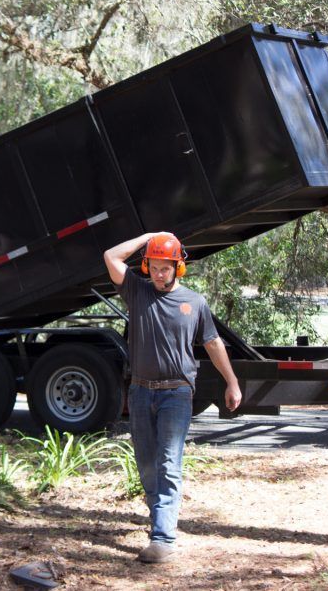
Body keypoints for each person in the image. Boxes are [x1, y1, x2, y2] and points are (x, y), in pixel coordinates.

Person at [103, 231, 242, 564]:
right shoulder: (136, 291)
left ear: (178, 268)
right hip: (139, 391)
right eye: (154, 266)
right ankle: (158, 521)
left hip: (177, 393)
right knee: (148, 467)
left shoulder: (194, 302)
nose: (159, 274)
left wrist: (232, 382)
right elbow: (111, 256)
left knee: (169, 463)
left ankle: (163, 538)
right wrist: (149, 236)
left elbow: (213, 344)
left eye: (166, 268)